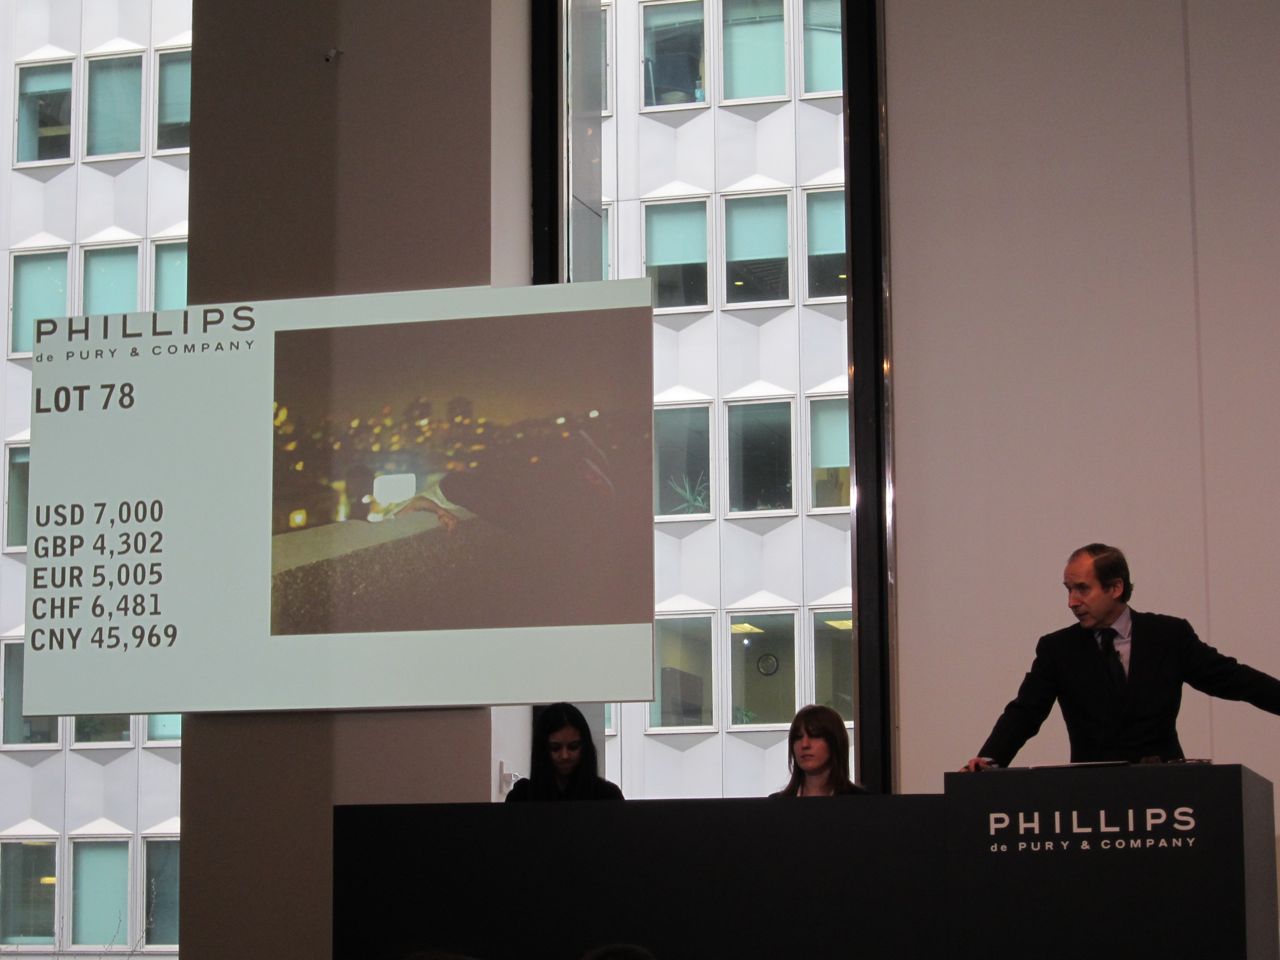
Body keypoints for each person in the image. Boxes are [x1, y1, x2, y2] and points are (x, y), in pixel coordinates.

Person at [965, 543, 1280, 770]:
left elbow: (1233, 679)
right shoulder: (1057, 649)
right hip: (1093, 797)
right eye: (1068, 589)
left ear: (1115, 588)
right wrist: (990, 760)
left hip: (1166, 793)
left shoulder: (1168, 636)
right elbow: (1025, 712)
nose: (1072, 602)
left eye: (1082, 589)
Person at [505, 702, 624, 801]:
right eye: (555, 748)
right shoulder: (521, 796)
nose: (565, 755)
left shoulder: (608, 796)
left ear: (585, 747)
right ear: (542, 750)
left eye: (573, 746)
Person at [772, 704, 867, 796]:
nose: (804, 744)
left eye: (814, 736)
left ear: (834, 742)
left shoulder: (861, 801)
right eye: (798, 737)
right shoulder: (777, 803)